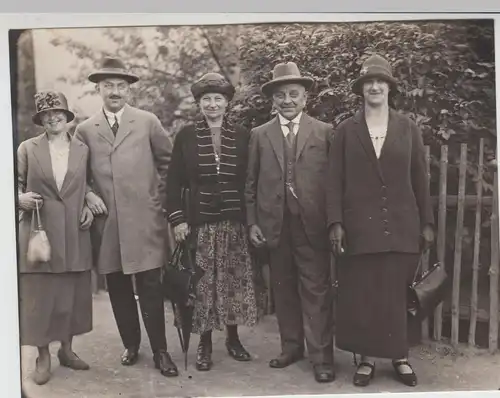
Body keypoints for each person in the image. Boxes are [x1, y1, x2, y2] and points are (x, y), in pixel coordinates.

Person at [327, 53, 435, 387]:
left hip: (402, 226)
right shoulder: (346, 130)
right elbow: (333, 180)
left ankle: (400, 357)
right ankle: (367, 360)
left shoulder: (407, 128)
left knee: (398, 294)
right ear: (361, 90)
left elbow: (420, 177)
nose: (374, 86)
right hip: (360, 228)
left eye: (380, 81)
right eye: (368, 82)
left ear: (389, 87)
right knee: (365, 294)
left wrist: (427, 223)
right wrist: (336, 223)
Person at [74, 57, 178, 377]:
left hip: (146, 221)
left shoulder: (147, 121)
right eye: (108, 86)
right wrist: (88, 194)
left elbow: (169, 166)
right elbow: (76, 175)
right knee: (118, 286)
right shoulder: (85, 129)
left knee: (151, 286)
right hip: (108, 225)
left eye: (121, 86)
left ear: (129, 90)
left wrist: (156, 202)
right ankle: (131, 344)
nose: (115, 91)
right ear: (98, 89)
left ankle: (161, 351)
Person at [166, 72, 265, 371]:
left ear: (227, 103)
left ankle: (233, 339)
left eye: (218, 99)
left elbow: (252, 180)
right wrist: (178, 219)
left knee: (233, 282)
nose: (212, 104)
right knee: (204, 283)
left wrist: (252, 221)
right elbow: (172, 182)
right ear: (199, 103)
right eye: (206, 99)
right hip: (201, 223)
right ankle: (204, 343)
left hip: (234, 222)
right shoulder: (185, 136)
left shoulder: (243, 135)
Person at [245, 62, 335, 383]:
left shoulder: (324, 132)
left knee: (316, 290)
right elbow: (250, 185)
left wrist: (333, 222)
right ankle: (291, 347)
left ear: (305, 97)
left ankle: (322, 357)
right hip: (274, 225)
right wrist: (253, 222)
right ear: (272, 100)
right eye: (280, 95)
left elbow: (335, 183)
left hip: (312, 225)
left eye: (293, 94)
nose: (287, 100)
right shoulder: (259, 135)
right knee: (282, 289)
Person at [18, 91, 94, 385]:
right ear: (41, 120)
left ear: (67, 116)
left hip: (74, 229)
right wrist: (18, 198)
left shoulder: (82, 149)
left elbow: (88, 182)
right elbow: (13, 181)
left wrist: (88, 201)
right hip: (41, 231)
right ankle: (43, 356)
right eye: (47, 114)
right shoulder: (27, 148)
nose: (53, 118)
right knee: (41, 294)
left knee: (70, 294)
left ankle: (67, 350)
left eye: (58, 113)